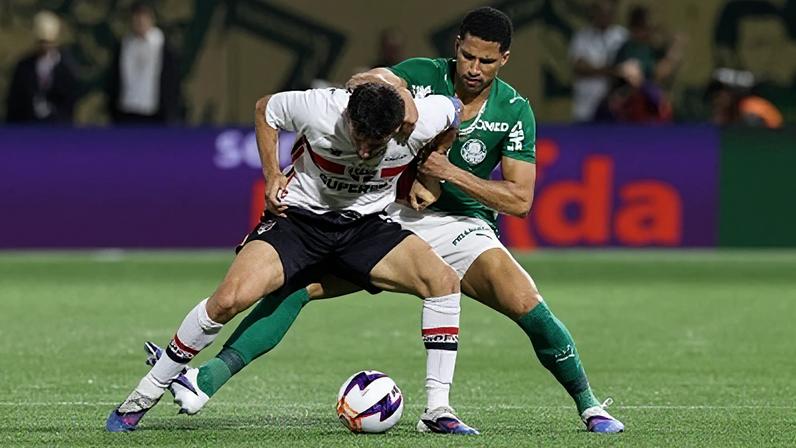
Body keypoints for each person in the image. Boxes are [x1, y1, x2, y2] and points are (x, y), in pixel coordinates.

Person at [154, 7, 624, 434]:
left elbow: (520, 201)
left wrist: (446, 172)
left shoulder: (515, 110)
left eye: (486, 61)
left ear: (504, 58)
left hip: (461, 227)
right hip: (386, 216)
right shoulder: (421, 75)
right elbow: (363, 81)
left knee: (526, 303)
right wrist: (393, 88)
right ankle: (202, 381)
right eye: (466, 56)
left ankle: (589, 405)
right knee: (298, 287)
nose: (473, 69)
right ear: (456, 46)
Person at [106, 82, 471, 433]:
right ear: (348, 117)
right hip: (298, 222)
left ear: (397, 128)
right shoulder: (322, 108)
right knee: (229, 300)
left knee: (443, 282)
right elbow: (266, 108)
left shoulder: (421, 118)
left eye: (374, 144)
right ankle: (143, 396)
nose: (363, 151)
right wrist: (272, 174)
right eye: (358, 137)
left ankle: (438, 409)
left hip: (365, 228)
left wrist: (432, 169)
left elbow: (455, 110)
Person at [107, 1, 181, 124]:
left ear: (152, 18)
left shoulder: (165, 47)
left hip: (156, 116)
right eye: (136, 17)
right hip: (126, 114)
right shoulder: (123, 45)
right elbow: (113, 79)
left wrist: (169, 112)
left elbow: (173, 83)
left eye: (144, 16)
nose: (140, 21)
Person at [5, 11, 77, 124]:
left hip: (57, 128)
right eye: (41, 42)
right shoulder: (24, 67)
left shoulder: (65, 67)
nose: (45, 46)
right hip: (28, 127)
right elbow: (14, 102)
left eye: (48, 42)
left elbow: (69, 101)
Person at [568, 0, 627, 122]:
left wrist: (594, 68)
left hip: (615, 107)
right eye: (600, 13)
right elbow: (579, 67)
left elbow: (627, 69)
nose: (604, 16)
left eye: (607, 13)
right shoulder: (582, 37)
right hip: (586, 106)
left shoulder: (622, 36)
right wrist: (611, 70)